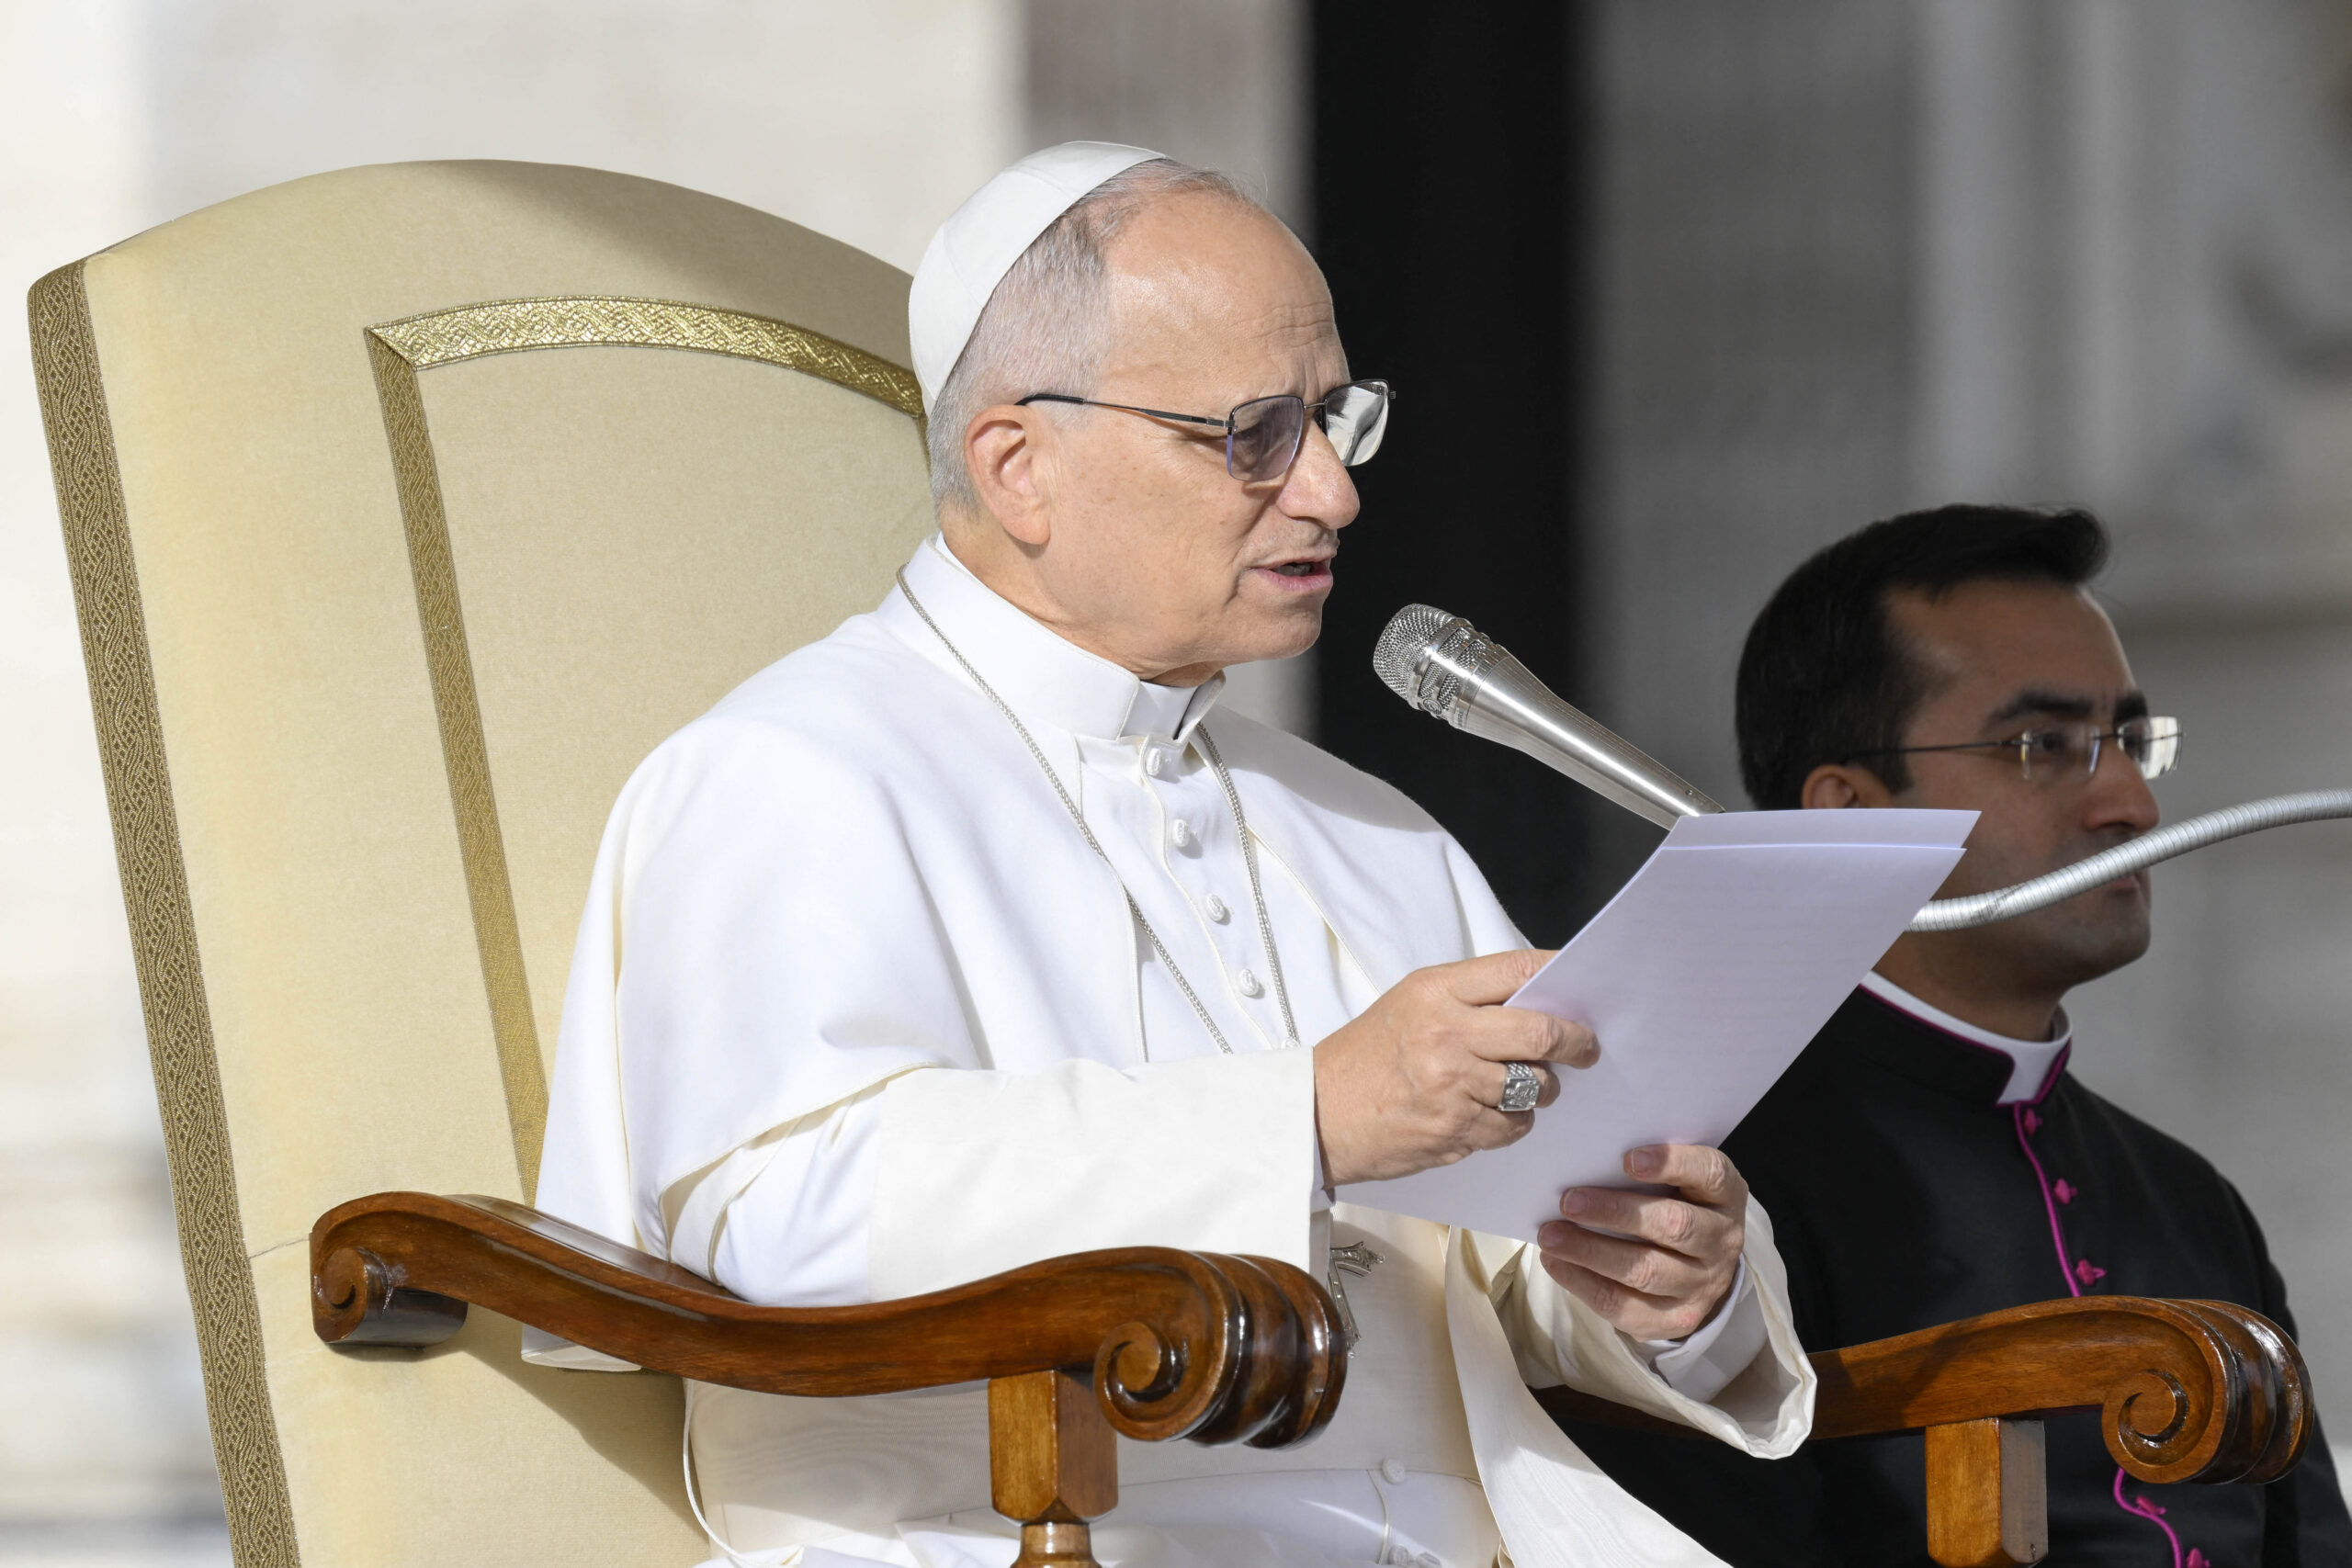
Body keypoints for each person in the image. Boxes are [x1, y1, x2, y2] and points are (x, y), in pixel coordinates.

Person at [529, 141, 1814, 1568]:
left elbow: (1506, 1275)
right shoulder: (790, 771)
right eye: (1255, 432)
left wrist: (1668, 1287)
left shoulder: (1364, 823)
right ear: (1020, 466)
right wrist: (1305, 1115)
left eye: (1335, 420)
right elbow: (776, 1219)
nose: (1331, 492)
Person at [1555, 505, 2352, 1566]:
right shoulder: (1700, 1178)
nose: (2130, 803)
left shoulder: (2189, 1197)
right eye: (2043, 746)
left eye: (2129, 742)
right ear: (1848, 813)